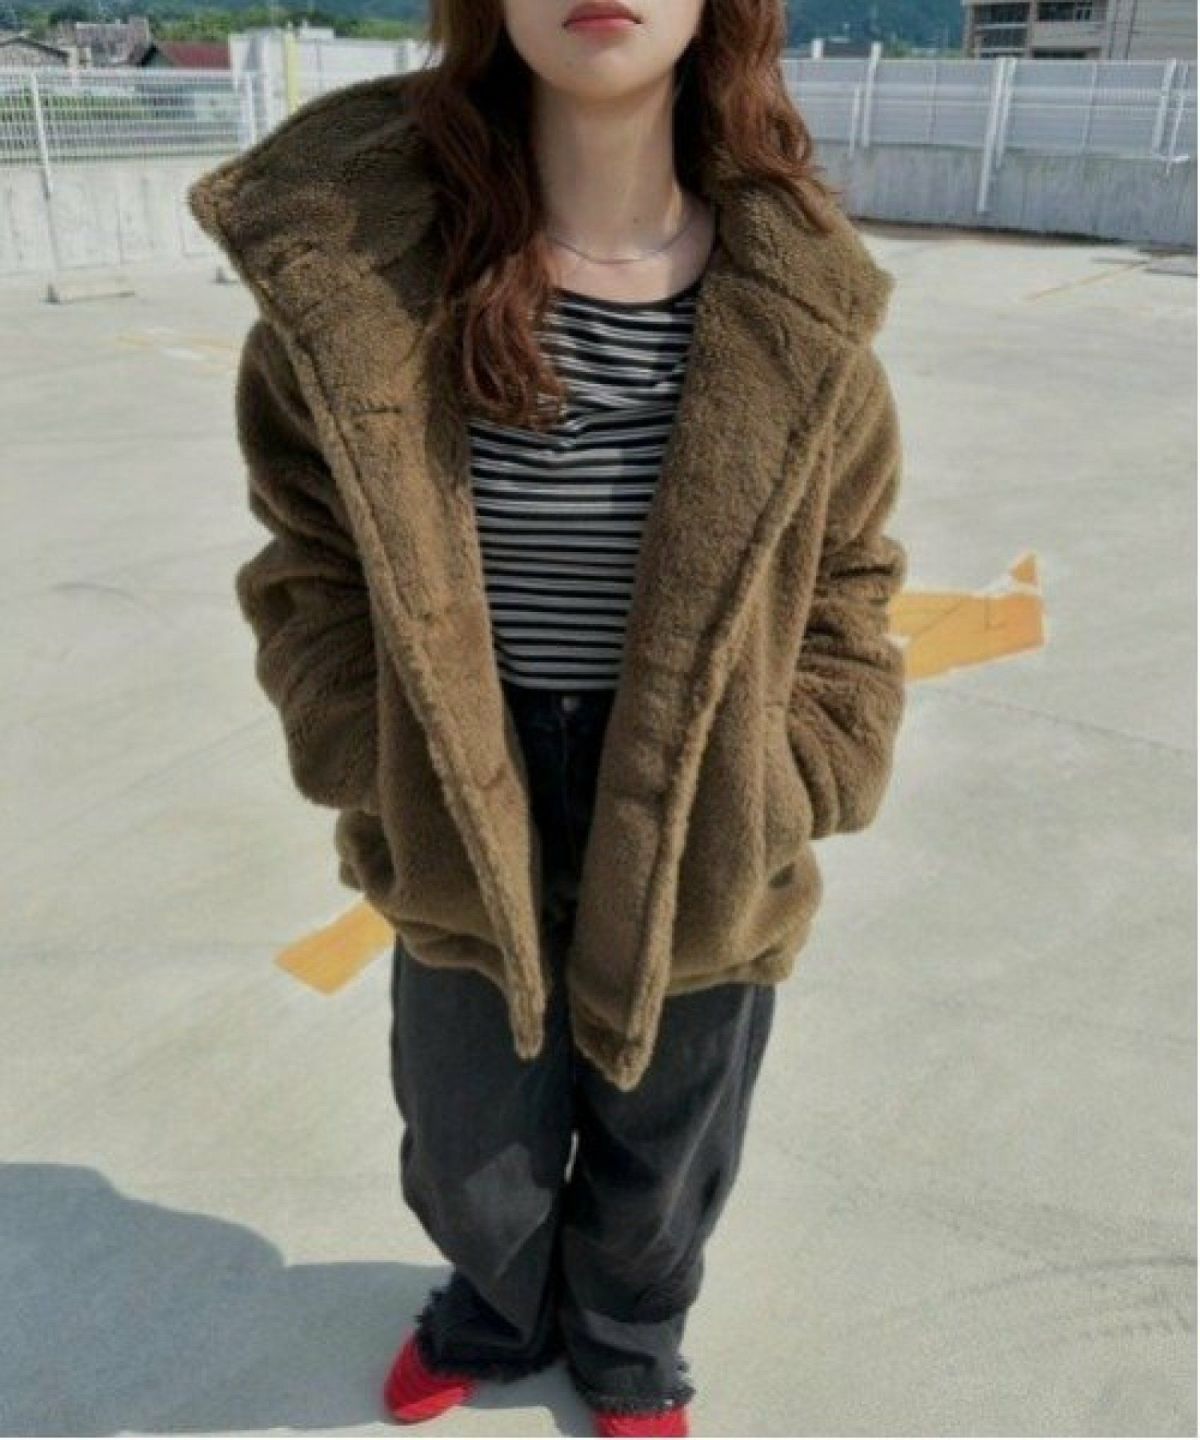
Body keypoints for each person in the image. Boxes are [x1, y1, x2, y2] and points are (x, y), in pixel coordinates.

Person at [187, 1, 909, 1433]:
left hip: (709, 788)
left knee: (671, 1122)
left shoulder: (800, 308)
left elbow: (850, 575)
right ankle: (496, 1306)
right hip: (461, 778)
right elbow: (308, 558)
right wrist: (356, 744)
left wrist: (802, 768)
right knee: (470, 1129)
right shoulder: (366, 284)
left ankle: (631, 1341)